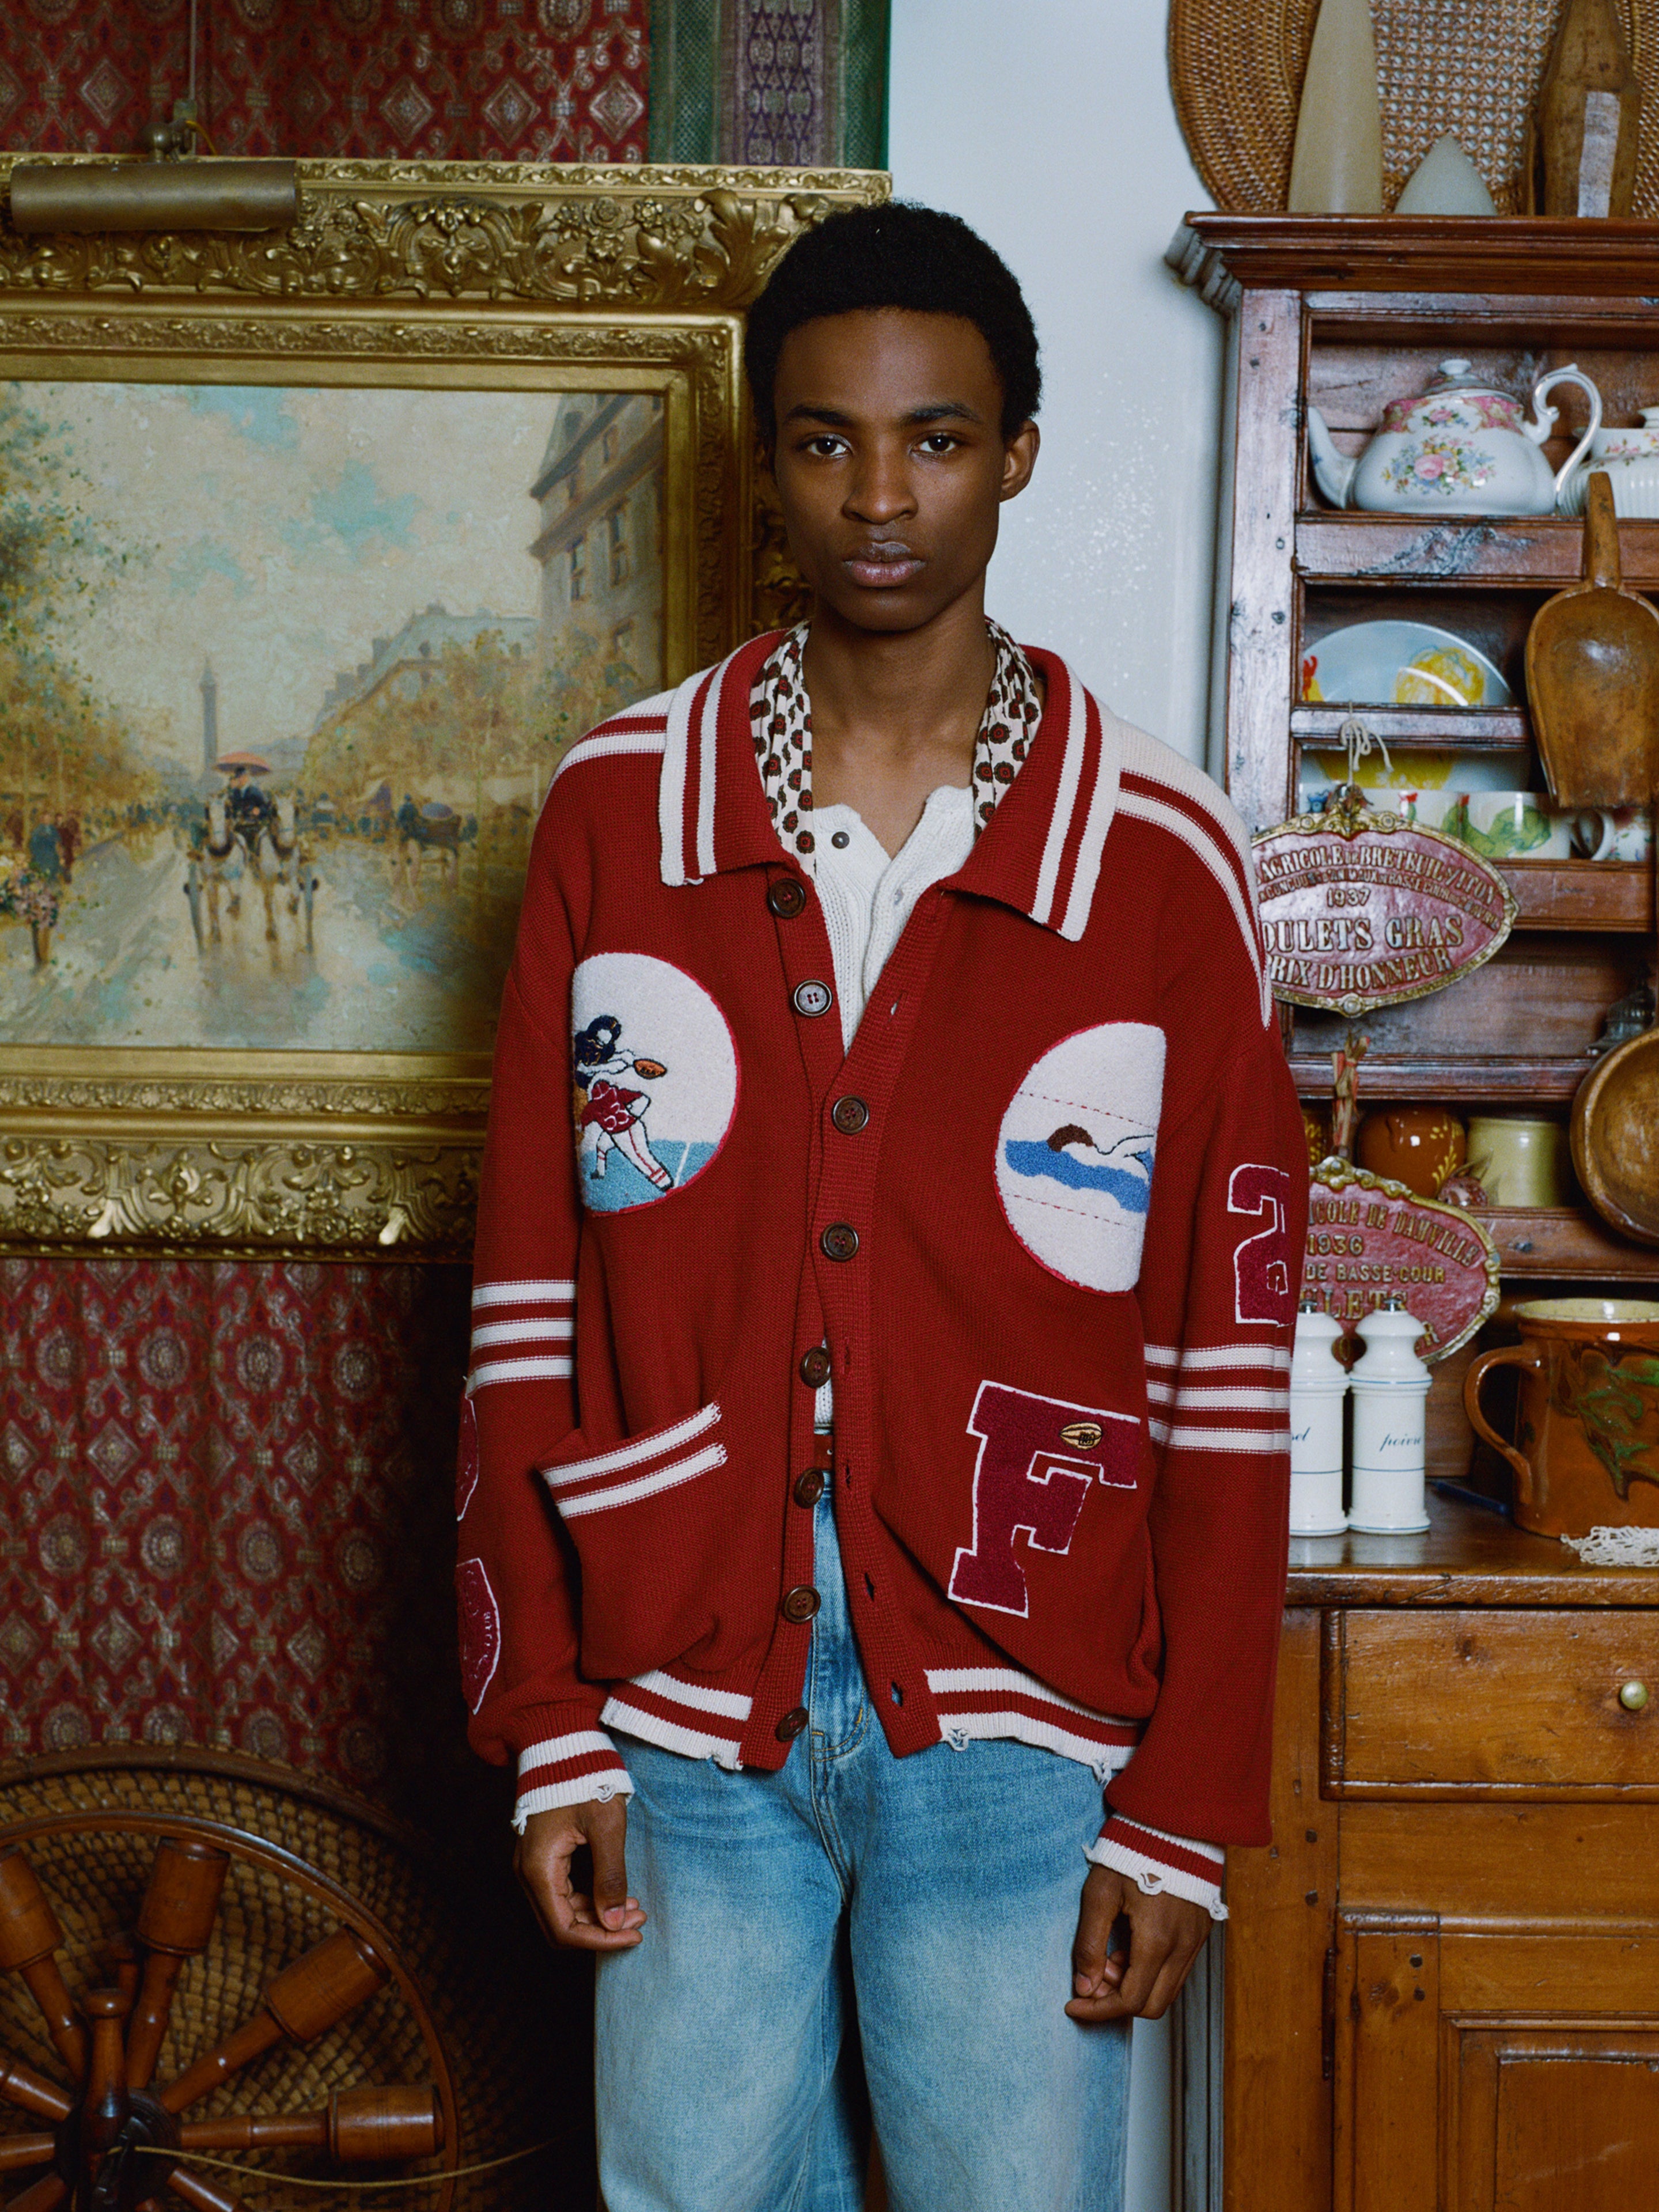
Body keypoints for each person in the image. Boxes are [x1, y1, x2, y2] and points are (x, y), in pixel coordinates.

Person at [458, 202, 1307, 2212]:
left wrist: (1182, 1807)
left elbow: (1225, 1365)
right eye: (826, 439)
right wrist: (550, 1719)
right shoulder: (620, 812)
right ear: (766, 460)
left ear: (1018, 454)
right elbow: (523, 1306)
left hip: (1026, 1707)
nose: (879, 496)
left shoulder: (1160, 859)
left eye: (937, 439)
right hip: (681, 1686)